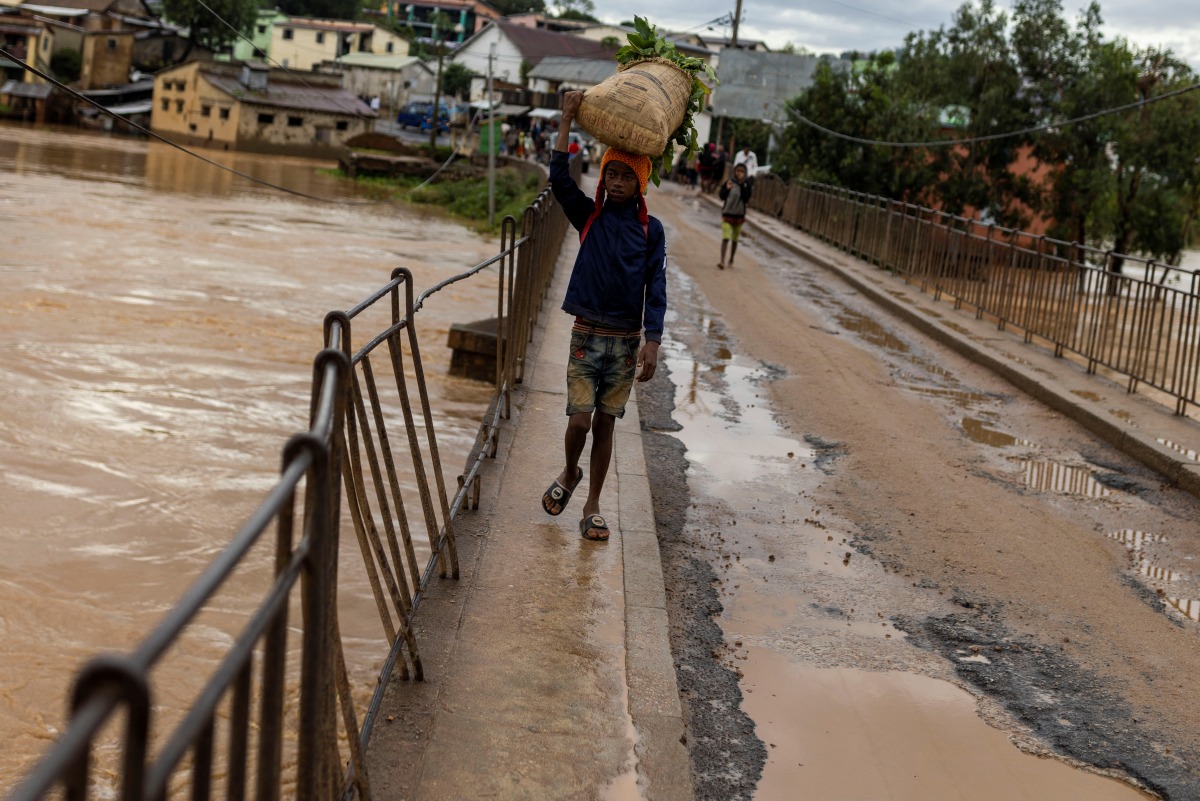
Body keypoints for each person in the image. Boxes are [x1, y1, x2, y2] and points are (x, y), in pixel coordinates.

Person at [541, 90, 667, 543]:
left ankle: (593, 504)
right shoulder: (589, 215)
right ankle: (570, 471)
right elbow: (557, 178)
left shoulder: (651, 231)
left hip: (625, 342)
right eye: (610, 173)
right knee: (579, 420)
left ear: (639, 183)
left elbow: (658, 286)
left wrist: (652, 341)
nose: (615, 182)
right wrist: (566, 120)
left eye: (624, 176)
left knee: (606, 424)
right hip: (585, 335)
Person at [718, 162, 752, 269]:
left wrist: (742, 185)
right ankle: (722, 261)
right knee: (726, 237)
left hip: (739, 216)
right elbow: (721, 196)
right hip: (727, 214)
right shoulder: (729, 182)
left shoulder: (747, 184)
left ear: (745, 173)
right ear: (735, 172)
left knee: (735, 239)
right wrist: (727, 189)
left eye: (742, 171)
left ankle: (731, 259)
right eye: (738, 171)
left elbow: (746, 198)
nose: (740, 173)